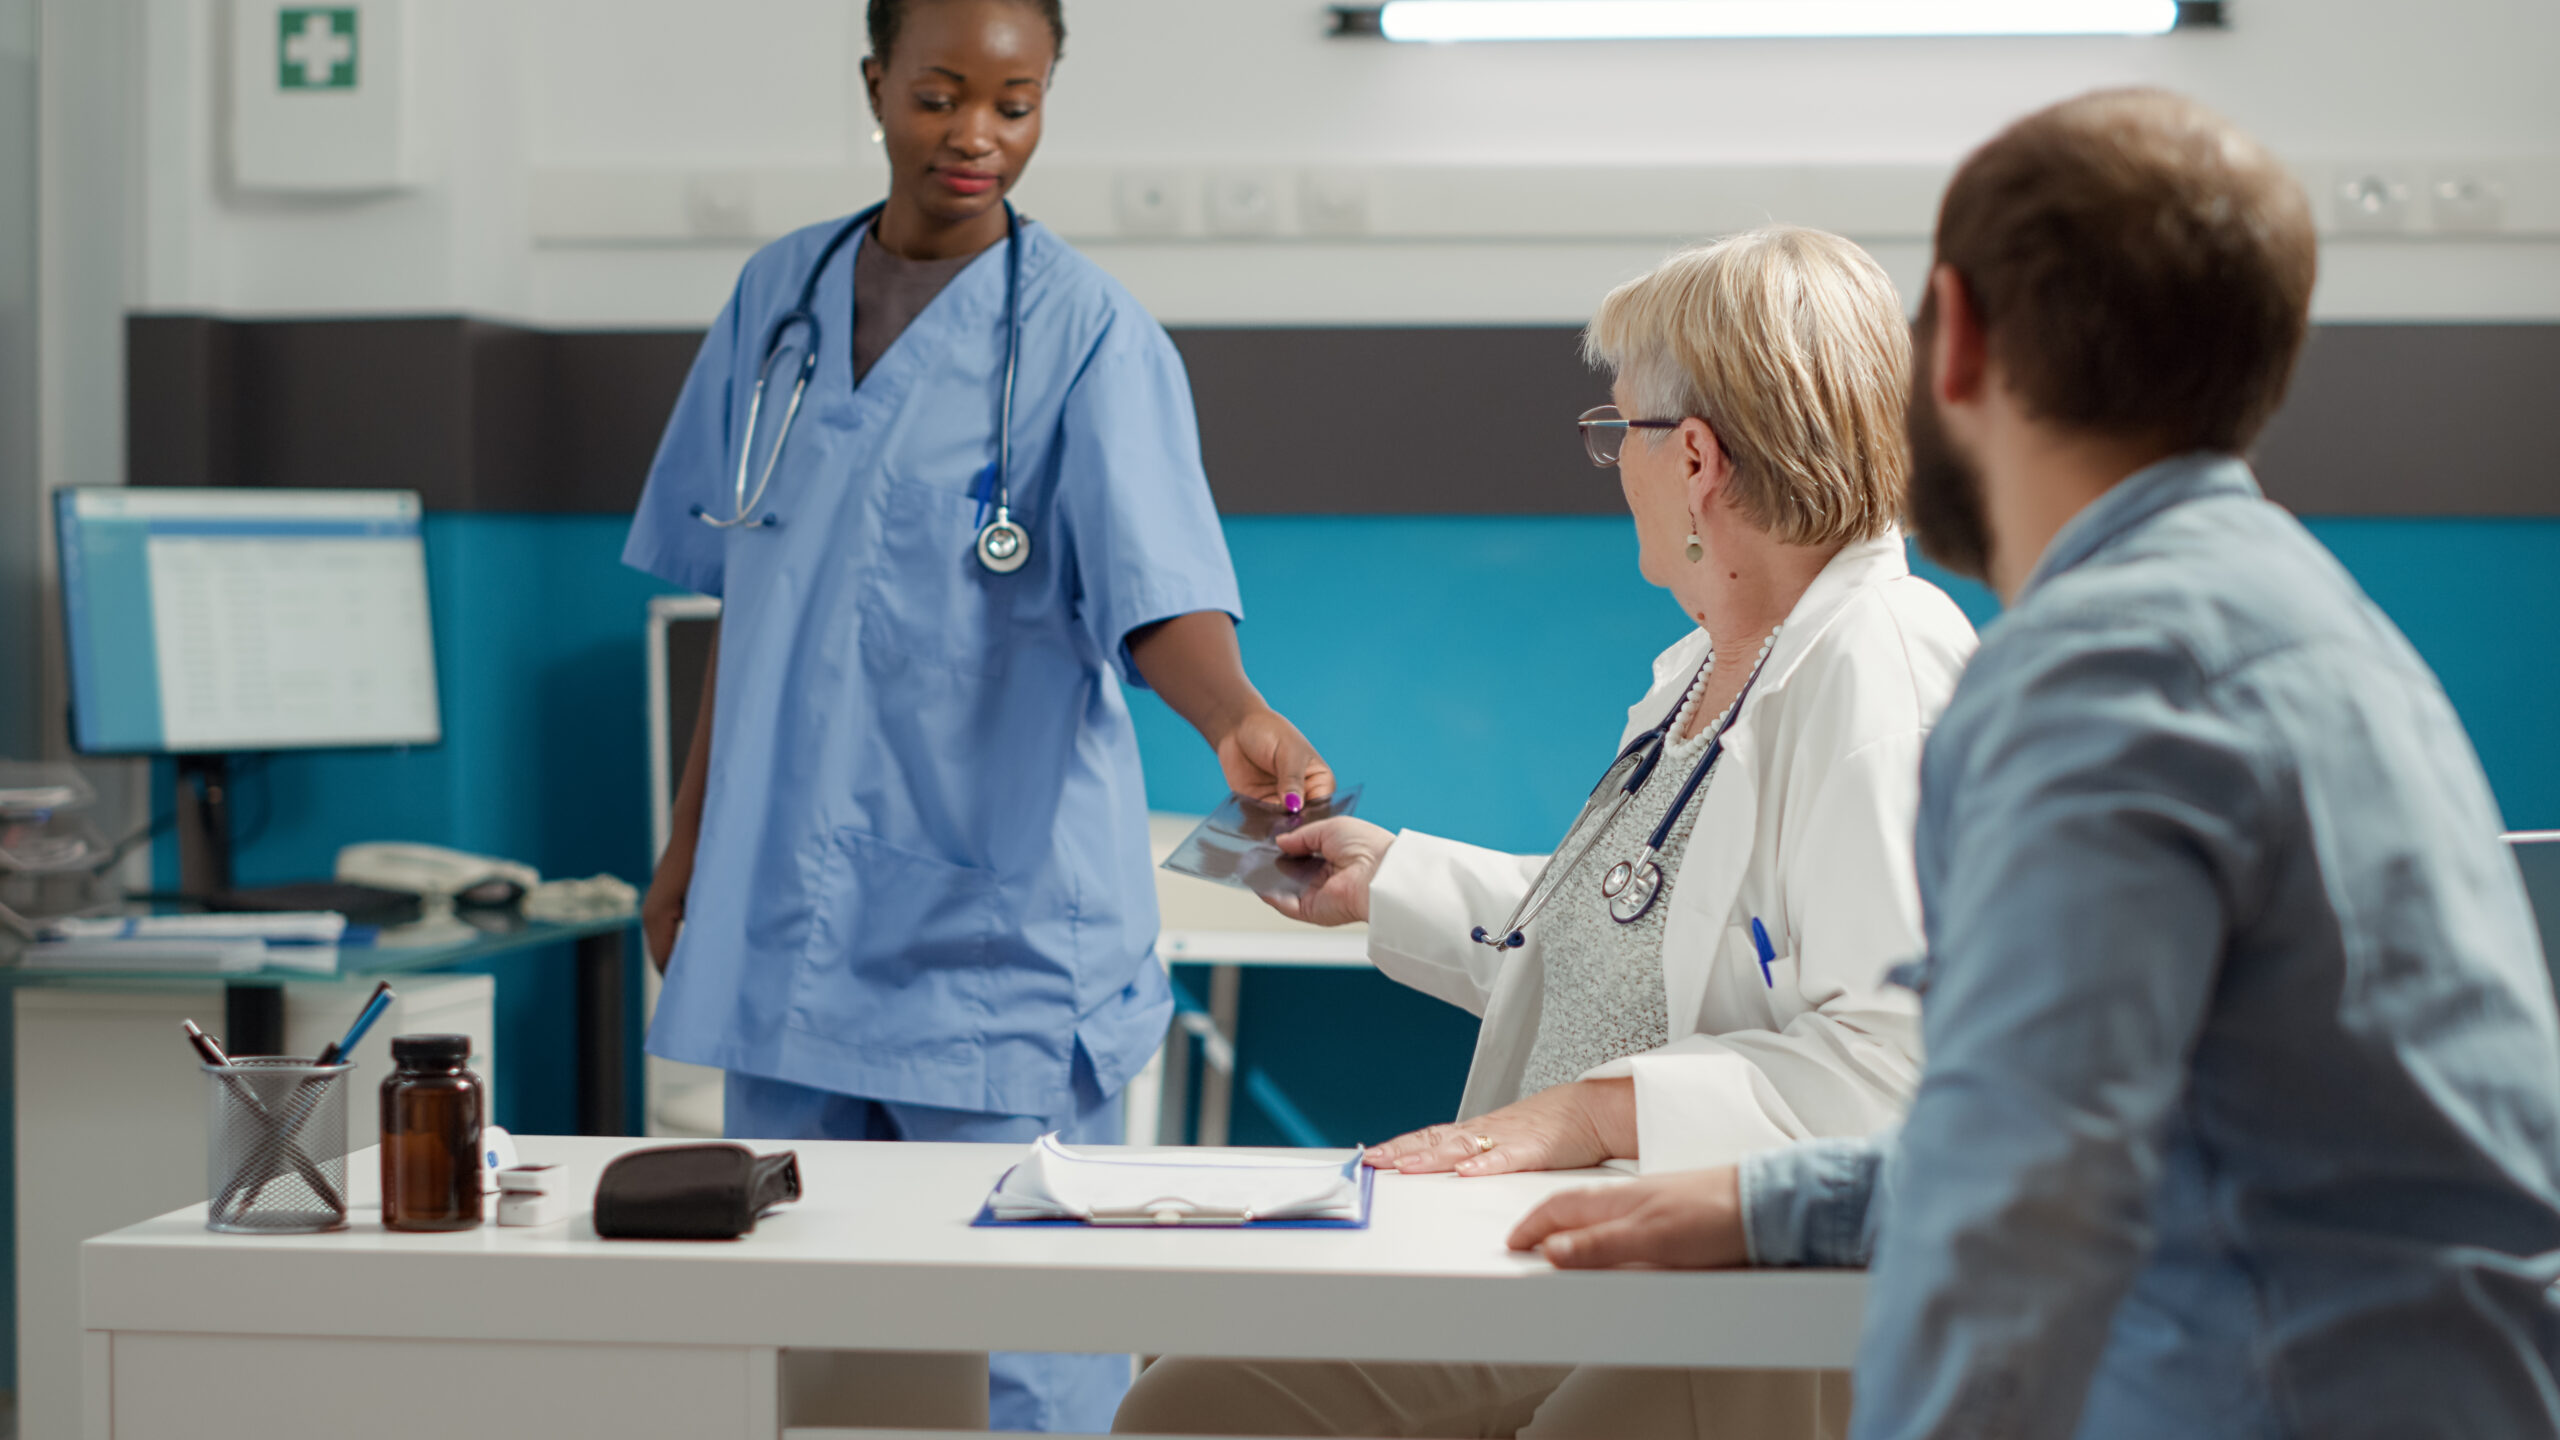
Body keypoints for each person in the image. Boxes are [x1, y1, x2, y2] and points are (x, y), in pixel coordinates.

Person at [1509, 89, 2560, 1439]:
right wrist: (1775, 1200)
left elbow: (2025, 1211)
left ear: (1956, 345)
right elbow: (2107, 1128)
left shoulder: (2101, 674)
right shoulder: (2303, 622)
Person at [1116, 227, 1976, 1438]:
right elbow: (1638, 928)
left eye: (1613, 431)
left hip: (1753, 1278)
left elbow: (1903, 1067)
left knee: (1211, 1411)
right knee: (1200, 1387)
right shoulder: (1711, 670)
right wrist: (1390, 876)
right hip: (1612, 1232)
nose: (1606, 462)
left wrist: (1588, 1112)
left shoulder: (1875, 670)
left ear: (1695, 459)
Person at [623, 0, 1329, 1429]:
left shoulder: (1090, 337)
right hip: (786, 935)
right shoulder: (776, 302)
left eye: (1016, 103)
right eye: (940, 95)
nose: (976, 137)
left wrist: (1235, 716)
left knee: (1027, 1365)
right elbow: (744, 617)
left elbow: (1156, 596)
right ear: (876, 83)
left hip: (991, 944)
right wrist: (688, 849)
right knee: (811, 1351)